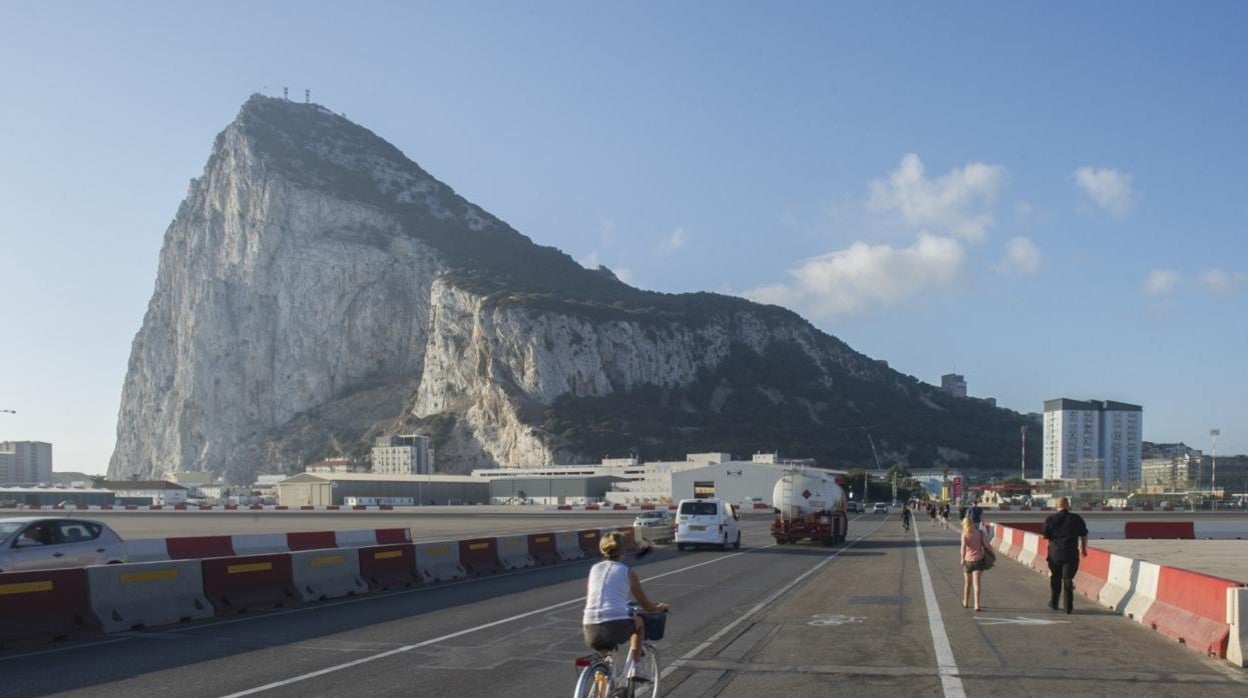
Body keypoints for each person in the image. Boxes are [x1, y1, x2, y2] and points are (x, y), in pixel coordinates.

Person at [582, 532, 668, 682]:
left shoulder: (594, 569)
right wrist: (658, 608)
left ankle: (602, 685)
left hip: (589, 627)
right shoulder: (627, 572)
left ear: (602, 549)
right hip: (615, 626)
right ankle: (636, 666)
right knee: (639, 622)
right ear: (623, 551)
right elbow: (646, 605)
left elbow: (592, 598)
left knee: (606, 660)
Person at [1042, 496, 1088, 614]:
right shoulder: (1077, 519)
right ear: (1068, 505)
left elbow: (1045, 536)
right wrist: (1083, 549)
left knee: (1055, 577)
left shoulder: (1051, 518)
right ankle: (1068, 606)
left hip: (1055, 553)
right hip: (1071, 553)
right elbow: (1084, 534)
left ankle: (1054, 603)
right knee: (1068, 579)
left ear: (1056, 506)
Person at [960, 516, 987, 611]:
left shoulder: (964, 534)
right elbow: (986, 544)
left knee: (967, 584)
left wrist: (962, 559)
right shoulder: (980, 533)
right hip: (978, 560)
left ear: (964, 524)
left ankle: (966, 602)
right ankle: (977, 605)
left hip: (968, 561)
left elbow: (963, 548)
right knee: (977, 585)